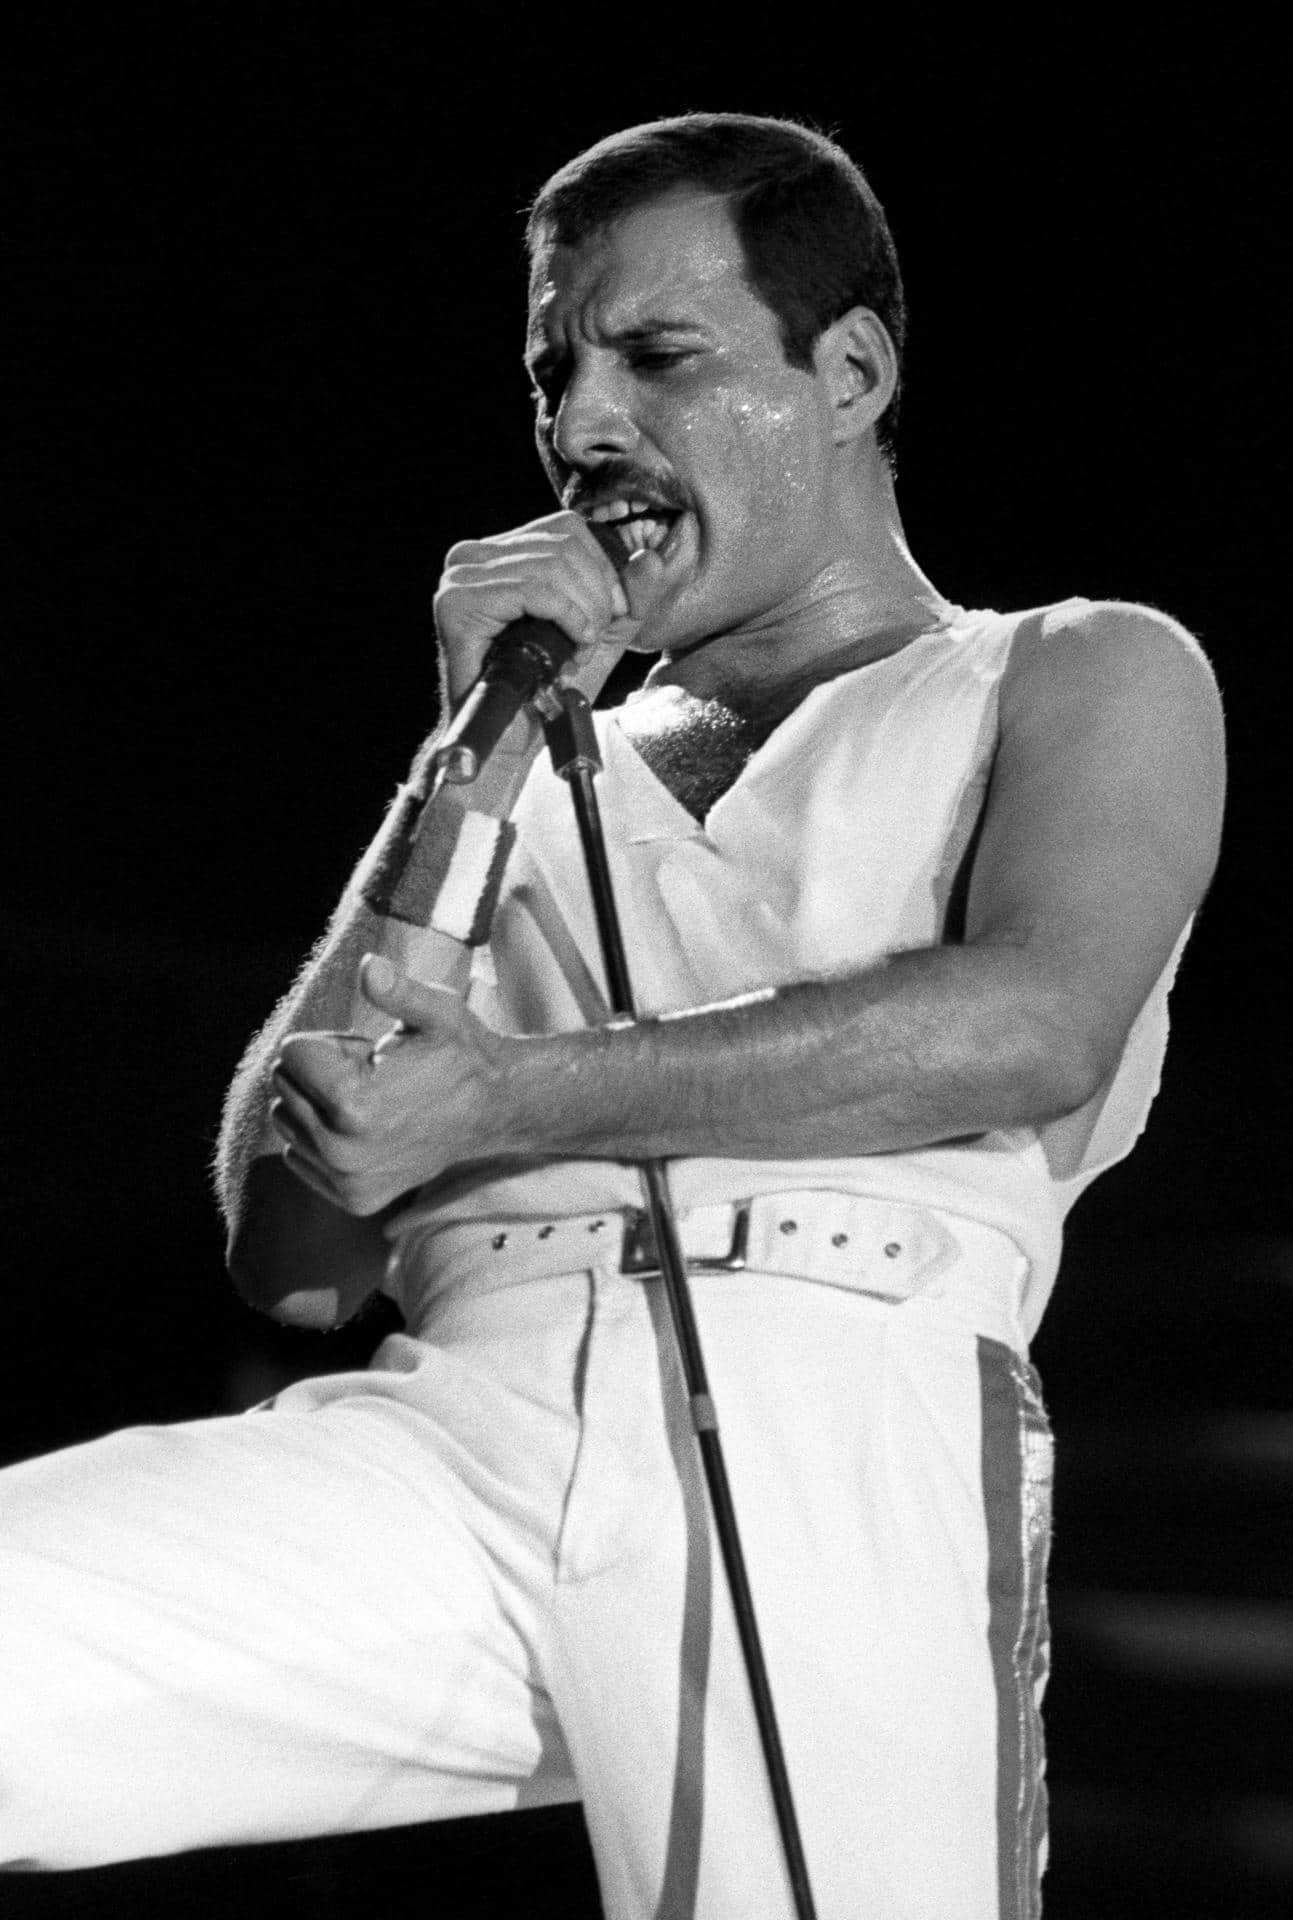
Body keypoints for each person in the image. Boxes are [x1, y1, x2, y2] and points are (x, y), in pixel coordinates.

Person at [0, 113, 1224, 1919]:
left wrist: (502, 1099)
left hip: (830, 1407)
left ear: (851, 372)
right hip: (458, 1422)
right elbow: (299, 1250)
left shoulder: (1071, 668)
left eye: (657, 358)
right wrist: (462, 753)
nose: (580, 430)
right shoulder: (515, 757)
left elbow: (1032, 1026)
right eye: (553, 370)